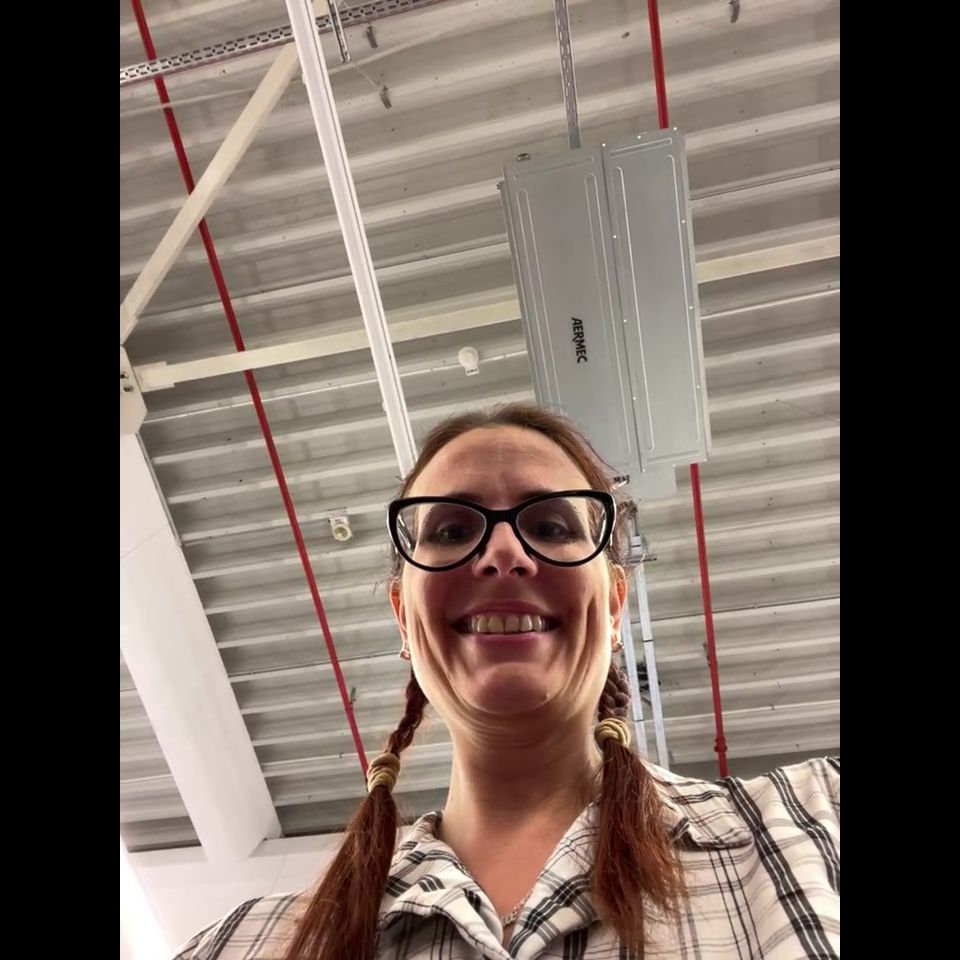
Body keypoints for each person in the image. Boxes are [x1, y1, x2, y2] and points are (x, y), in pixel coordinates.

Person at [174, 403, 840, 960]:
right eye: (450, 530)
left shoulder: (818, 822)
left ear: (613, 607)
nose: (503, 552)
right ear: (404, 616)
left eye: (549, 526)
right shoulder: (241, 945)